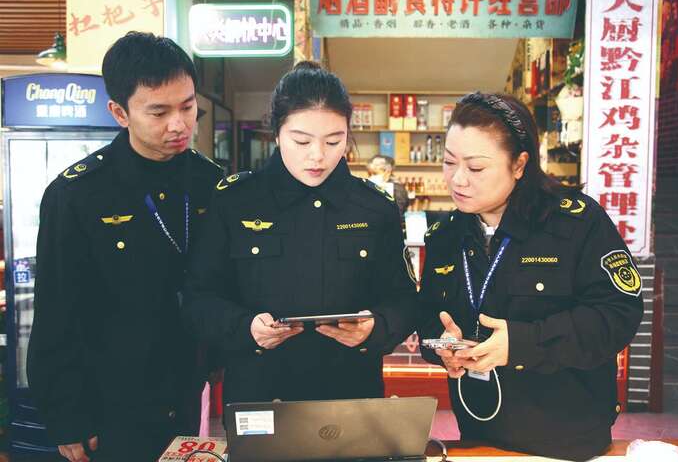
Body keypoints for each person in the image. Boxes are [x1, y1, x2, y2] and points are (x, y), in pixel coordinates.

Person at [27, 32, 223, 462]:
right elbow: (55, 313)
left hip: (188, 389)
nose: (179, 124)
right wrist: (67, 416)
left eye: (188, 106)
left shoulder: (212, 184)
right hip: (110, 404)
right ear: (120, 112)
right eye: (159, 112)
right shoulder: (77, 194)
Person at [417, 92, 643, 461]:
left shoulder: (577, 222)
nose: (457, 179)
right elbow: (427, 316)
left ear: (519, 164)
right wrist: (442, 348)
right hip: (479, 434)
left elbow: (617, 314)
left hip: (566, 441)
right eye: (448, 162)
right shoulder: (445, 236)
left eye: (476, 168)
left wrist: (523, 343)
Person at [183, 61, 416, 404]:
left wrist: (376, 327)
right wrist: (245, 327)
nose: (317, 156)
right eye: (301, 141)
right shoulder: (235, 201)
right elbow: (198, 297)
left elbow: (405, 300)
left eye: (334, 141)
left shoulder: (373, 207)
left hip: (350, 394)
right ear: (277, 133)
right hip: (260, 392)